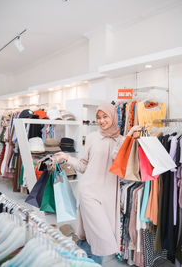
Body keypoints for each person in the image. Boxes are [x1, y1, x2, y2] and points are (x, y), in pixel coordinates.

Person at [55, 103, 143, 265]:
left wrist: (128, 136)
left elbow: (118, 160)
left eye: (105, 117)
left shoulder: (123, 140)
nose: (102, 121)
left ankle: (83, 261)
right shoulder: (92, 137)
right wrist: (67, 158)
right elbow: (83, 166)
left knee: (91, 235)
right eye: (99, 118)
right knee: (103, 237)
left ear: (113, 117)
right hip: (89, 192)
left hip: (109, 195)